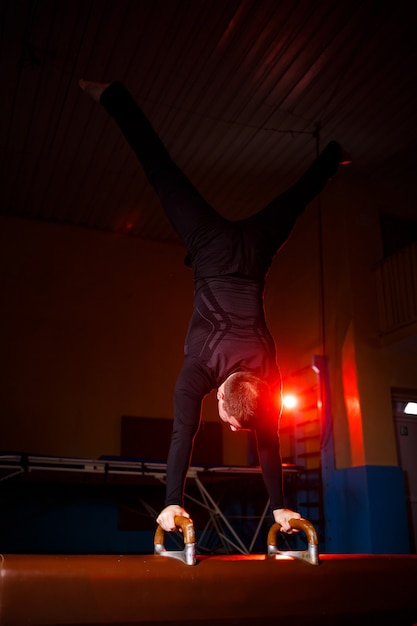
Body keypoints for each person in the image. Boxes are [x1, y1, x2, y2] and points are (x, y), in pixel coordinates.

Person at [79, 79, 350, 535]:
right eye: (227, 419)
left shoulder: (268, 378)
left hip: (253, 254)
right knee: (160, 172)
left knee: (295, 201)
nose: (226, 425)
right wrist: (170, 503)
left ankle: (331, 158)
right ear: (221, 396)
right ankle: (114, 97)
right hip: (209, 249)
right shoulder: (199, 369)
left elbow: (267, 441)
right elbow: (183, 434)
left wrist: (280, 507)